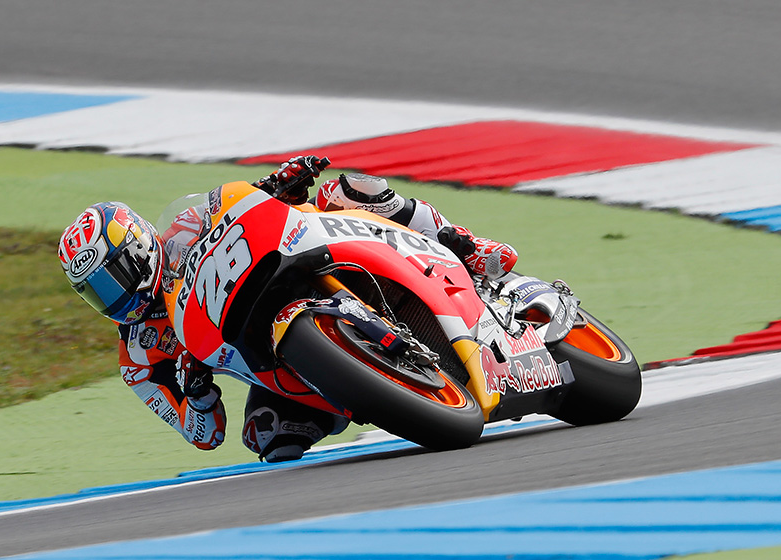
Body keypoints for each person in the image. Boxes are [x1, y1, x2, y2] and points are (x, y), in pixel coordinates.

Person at [57, 155, 517, 462]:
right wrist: (197, 394)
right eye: (96, 292)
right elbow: (202, 434)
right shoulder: (139, 358)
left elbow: (246, 208)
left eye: (112, 276)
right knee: (266, 435)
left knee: (351, 188)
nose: (113, 297)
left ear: (137, 245)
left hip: (297, 256)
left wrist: (280, 185)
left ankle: (466, 247)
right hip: (272, 359)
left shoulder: (186, 224)